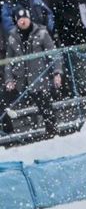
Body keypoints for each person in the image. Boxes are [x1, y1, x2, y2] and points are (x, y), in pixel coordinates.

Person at [4, 8, 63, 139]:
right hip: (20, 80)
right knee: (4, 101)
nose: (23, 21)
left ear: (30, 19)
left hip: (39, 78)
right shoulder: (12, 37)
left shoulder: (42, 33)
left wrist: (57, 73)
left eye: (25, 18)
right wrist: (9, 80)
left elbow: (54, 55)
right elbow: (8, 62)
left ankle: (52, 132)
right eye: (20, 19)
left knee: (45, 106)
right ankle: (8, 133)